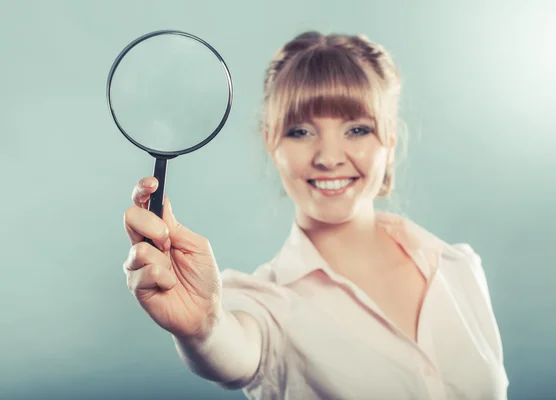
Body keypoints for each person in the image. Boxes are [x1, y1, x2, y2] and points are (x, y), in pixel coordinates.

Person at [122, 31, 509, 400]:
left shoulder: (459, 266)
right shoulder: (265, 304)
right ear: (270, 142)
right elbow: (233, 348)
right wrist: (203, 329)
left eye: (357, 129)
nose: (328, 157)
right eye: (301, 132)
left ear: (389, 142)